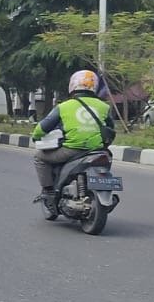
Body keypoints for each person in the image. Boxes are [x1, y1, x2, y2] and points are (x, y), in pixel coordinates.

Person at [32, 70, 116, 211]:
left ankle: (48, 191)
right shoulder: (104, 107)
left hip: (72, 150)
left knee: (39, 157)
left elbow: (43, 127)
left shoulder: (64, 107)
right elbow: (111, 128)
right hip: (98, 151)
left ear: (73, 85)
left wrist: (35, 136)